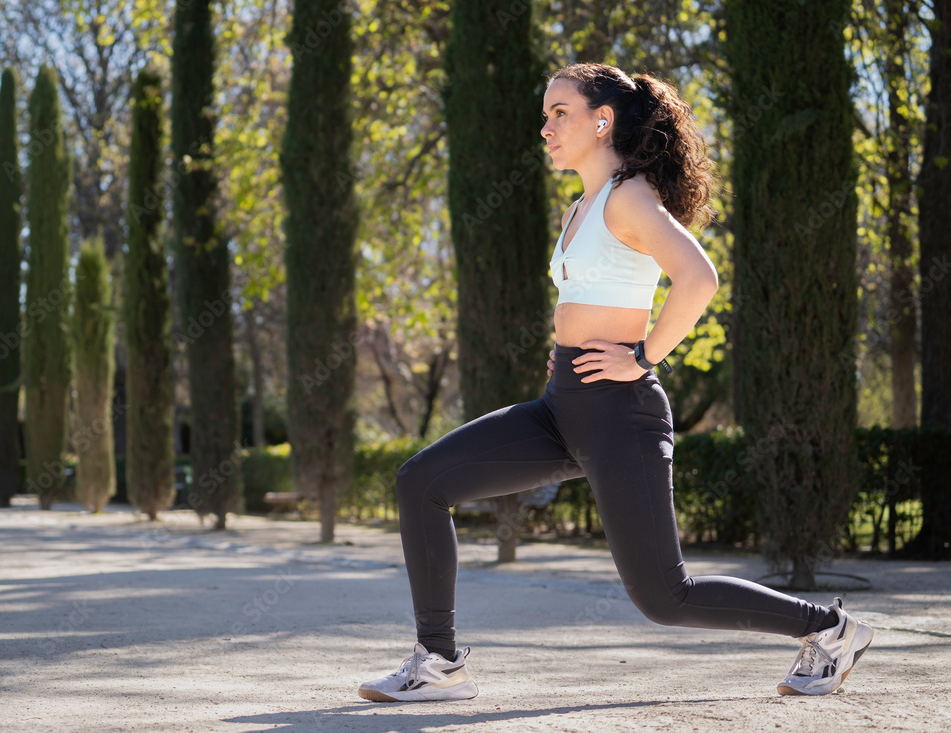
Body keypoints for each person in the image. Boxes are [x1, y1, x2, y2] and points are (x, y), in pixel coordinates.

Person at [357, 62, 873, 703]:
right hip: (562, 407)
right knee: (422, 482)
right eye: (545, 115)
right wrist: (569, 356)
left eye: (560, 113)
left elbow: (699, 277)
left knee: (665, 597)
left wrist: (644, 356)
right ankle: (439, 663)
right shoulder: (581, 206)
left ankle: (830, 628)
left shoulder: (629, 196)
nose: (545, 127)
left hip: (620, 413)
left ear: (602, 121)